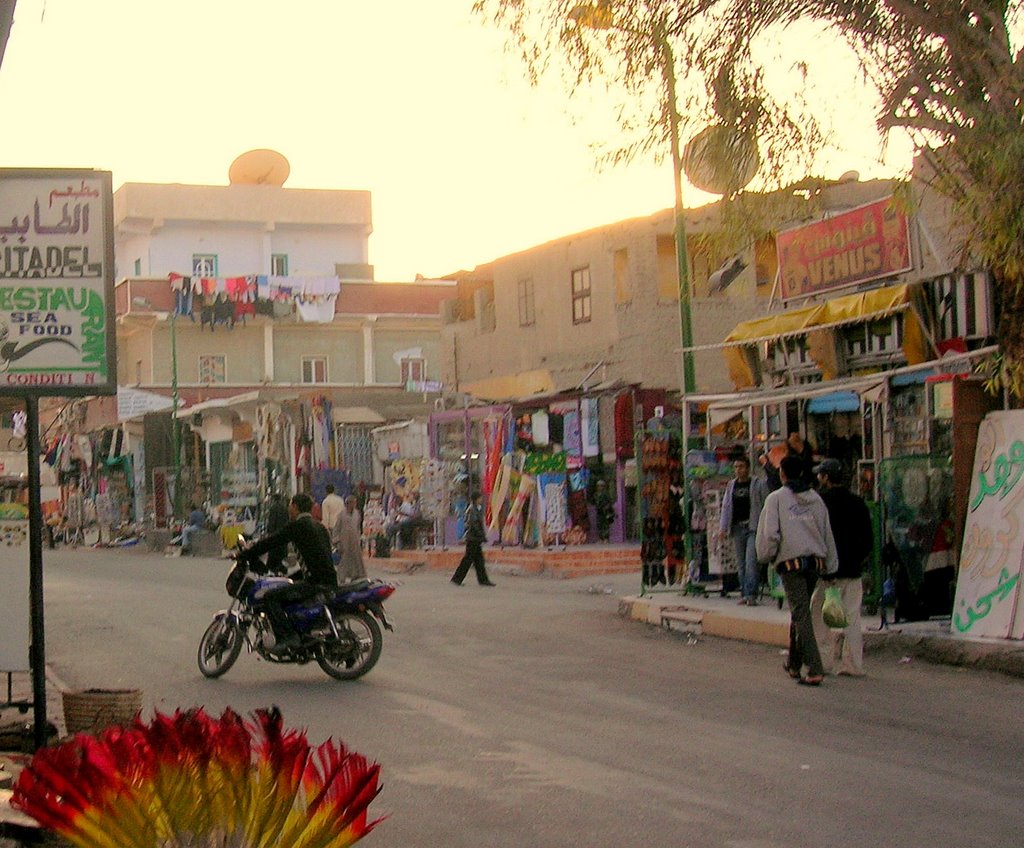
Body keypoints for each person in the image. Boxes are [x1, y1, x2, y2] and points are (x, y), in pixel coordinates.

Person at [756, 454, 838, 686]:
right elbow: (826, 533)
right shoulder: (815, 499)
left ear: (782, 473)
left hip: (791, 565)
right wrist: (831, 566)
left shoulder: (777, 499)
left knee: (801, 614)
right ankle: (794, 663)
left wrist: (768, 556)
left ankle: (814, 667)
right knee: (799, 611)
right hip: (815, 564)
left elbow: (770, 534)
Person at [240, 493, 338, 652]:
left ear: (295, 507)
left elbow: (272, 541)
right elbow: (317, 560)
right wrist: (291, 577)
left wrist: (246, 553)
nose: (288, 509)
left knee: (270, 597)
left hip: (316, 584)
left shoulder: (298, 526)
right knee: (286, 587)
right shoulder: (319, 526)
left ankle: (288, 637)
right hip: (327, 580)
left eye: (290, 506)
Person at [810, 458, 873, 676]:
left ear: (825, 478)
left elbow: (814, 536)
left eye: (820, 475)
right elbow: (867, 540)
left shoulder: (819, 503)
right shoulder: (858, 503)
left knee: (821, 620)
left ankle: (823, 662)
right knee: (852, 619)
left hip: (827, 572)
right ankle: (853, 665)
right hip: (852, 571)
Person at [719, 455, 768, 606]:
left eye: (741, 466)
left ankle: (751, 594)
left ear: (747, 468)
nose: (738, 470)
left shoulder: (758, 484)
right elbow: (726, 507)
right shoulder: (731, 486)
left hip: (753, 527)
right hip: (737, 528)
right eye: (736, 467)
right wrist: (723, 526)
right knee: (741, 564)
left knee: (751, 561)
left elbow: (767, 504)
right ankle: (744, 593)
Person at [451, 492, 495, 586]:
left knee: (479, 561)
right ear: (476, 499)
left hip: (475, 538)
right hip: (473, 539)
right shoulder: (472, 510)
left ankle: (483, 580)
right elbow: (474, 525)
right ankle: (457, 579)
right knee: (468, 560)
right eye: (480, 498)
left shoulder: (476, 509)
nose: (481, 500)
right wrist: (482, 536)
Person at [333, 494, 367, 582]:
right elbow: (336, 528)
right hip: (344, 541)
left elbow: (358, 527)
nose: (354, 505)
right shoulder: (341, 515)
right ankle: (342, 579)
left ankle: (355, 577)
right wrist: (336, 541)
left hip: (355, 541)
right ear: (348, 504)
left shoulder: (357, 514)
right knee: (344, 561)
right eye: (352, 503)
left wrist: (360, 538)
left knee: (356, 561)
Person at [263, 493, 291, 574]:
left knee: (273, 554)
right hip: (283, 535)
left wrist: (269, 533)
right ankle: (283, 570)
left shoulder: (273, 508)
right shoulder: (285, 508)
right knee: (283, 554)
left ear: (273, 499)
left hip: (275, 535)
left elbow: (271, 522)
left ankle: (273, 570)